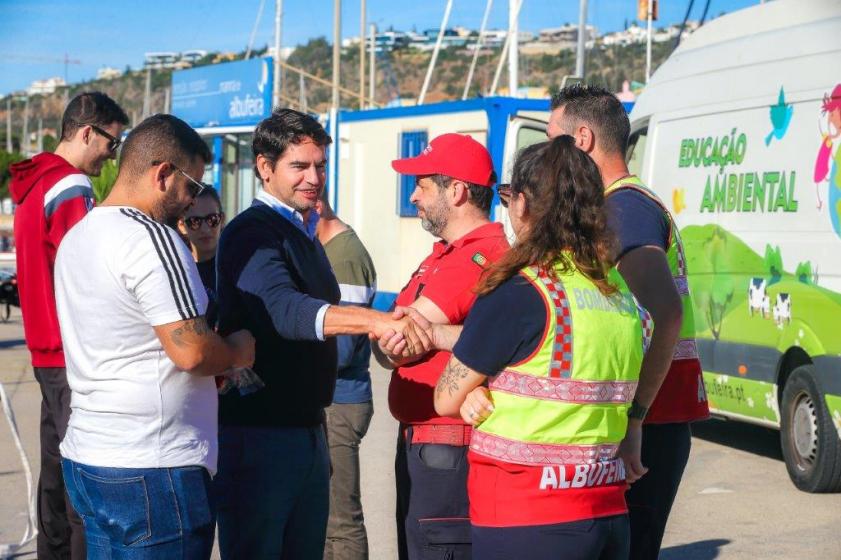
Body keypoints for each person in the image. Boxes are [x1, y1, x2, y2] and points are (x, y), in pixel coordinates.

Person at [214, 108, 429, 560]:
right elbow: (286, 311)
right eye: (299, 166)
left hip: (307, 430)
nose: (314, 178)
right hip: (261, 438)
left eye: (321, 165)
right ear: (264, 166)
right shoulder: (252, 233)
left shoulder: (302, 231)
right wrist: (374, 320)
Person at [430, 136, 651, 559]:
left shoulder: (524, 290)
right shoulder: (618, 291)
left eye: (510, 196)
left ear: (523, 205)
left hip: (526, 515)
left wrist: (474, 389)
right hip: (604, 508)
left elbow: (445, 397)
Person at [53, 113, 255, 558]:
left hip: (91, 454)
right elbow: (193, 351)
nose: (193, 201)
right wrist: (238, 351)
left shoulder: (78, 236)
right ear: (163, 174)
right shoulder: (152, 237)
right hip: (153, 466)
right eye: (192, 186)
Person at [547, 83, 710, 559]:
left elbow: (666, 312)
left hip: (645, 424)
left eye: (553, 139)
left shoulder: (624, 207)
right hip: (643, 419)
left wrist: (635, 417)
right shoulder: (622, 203)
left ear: (581, 139)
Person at [375, 133, 510, 560]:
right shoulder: (444, 255)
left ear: (457, 191)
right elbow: (392, 342)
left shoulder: (478, 255)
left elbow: (394, 342)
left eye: (422, 185)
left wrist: (396, 337)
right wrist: (391, 337)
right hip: (426, 441)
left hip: (447, 446)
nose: (412, 196)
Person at [8, 91, 128, 560]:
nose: (111, 155)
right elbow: (91, 270)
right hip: (73, 352)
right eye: (111, 143)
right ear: (86, 133)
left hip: (44, 349)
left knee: (54, 479)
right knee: (83, 489)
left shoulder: (34, 182)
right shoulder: (71, 186)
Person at [315, 195, 377, 560]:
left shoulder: (345, 256)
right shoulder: (328, 250)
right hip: (331, 398)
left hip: (340, 402)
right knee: (321, 519)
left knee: (340, 521)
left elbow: (342, 349)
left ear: (317, 207)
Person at [178, 187, 225, 327]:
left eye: (212, 219)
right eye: (194, 221)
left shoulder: (236, 267)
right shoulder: (177, 270)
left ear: (222, 220)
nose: (205, 229)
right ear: (181, 225)